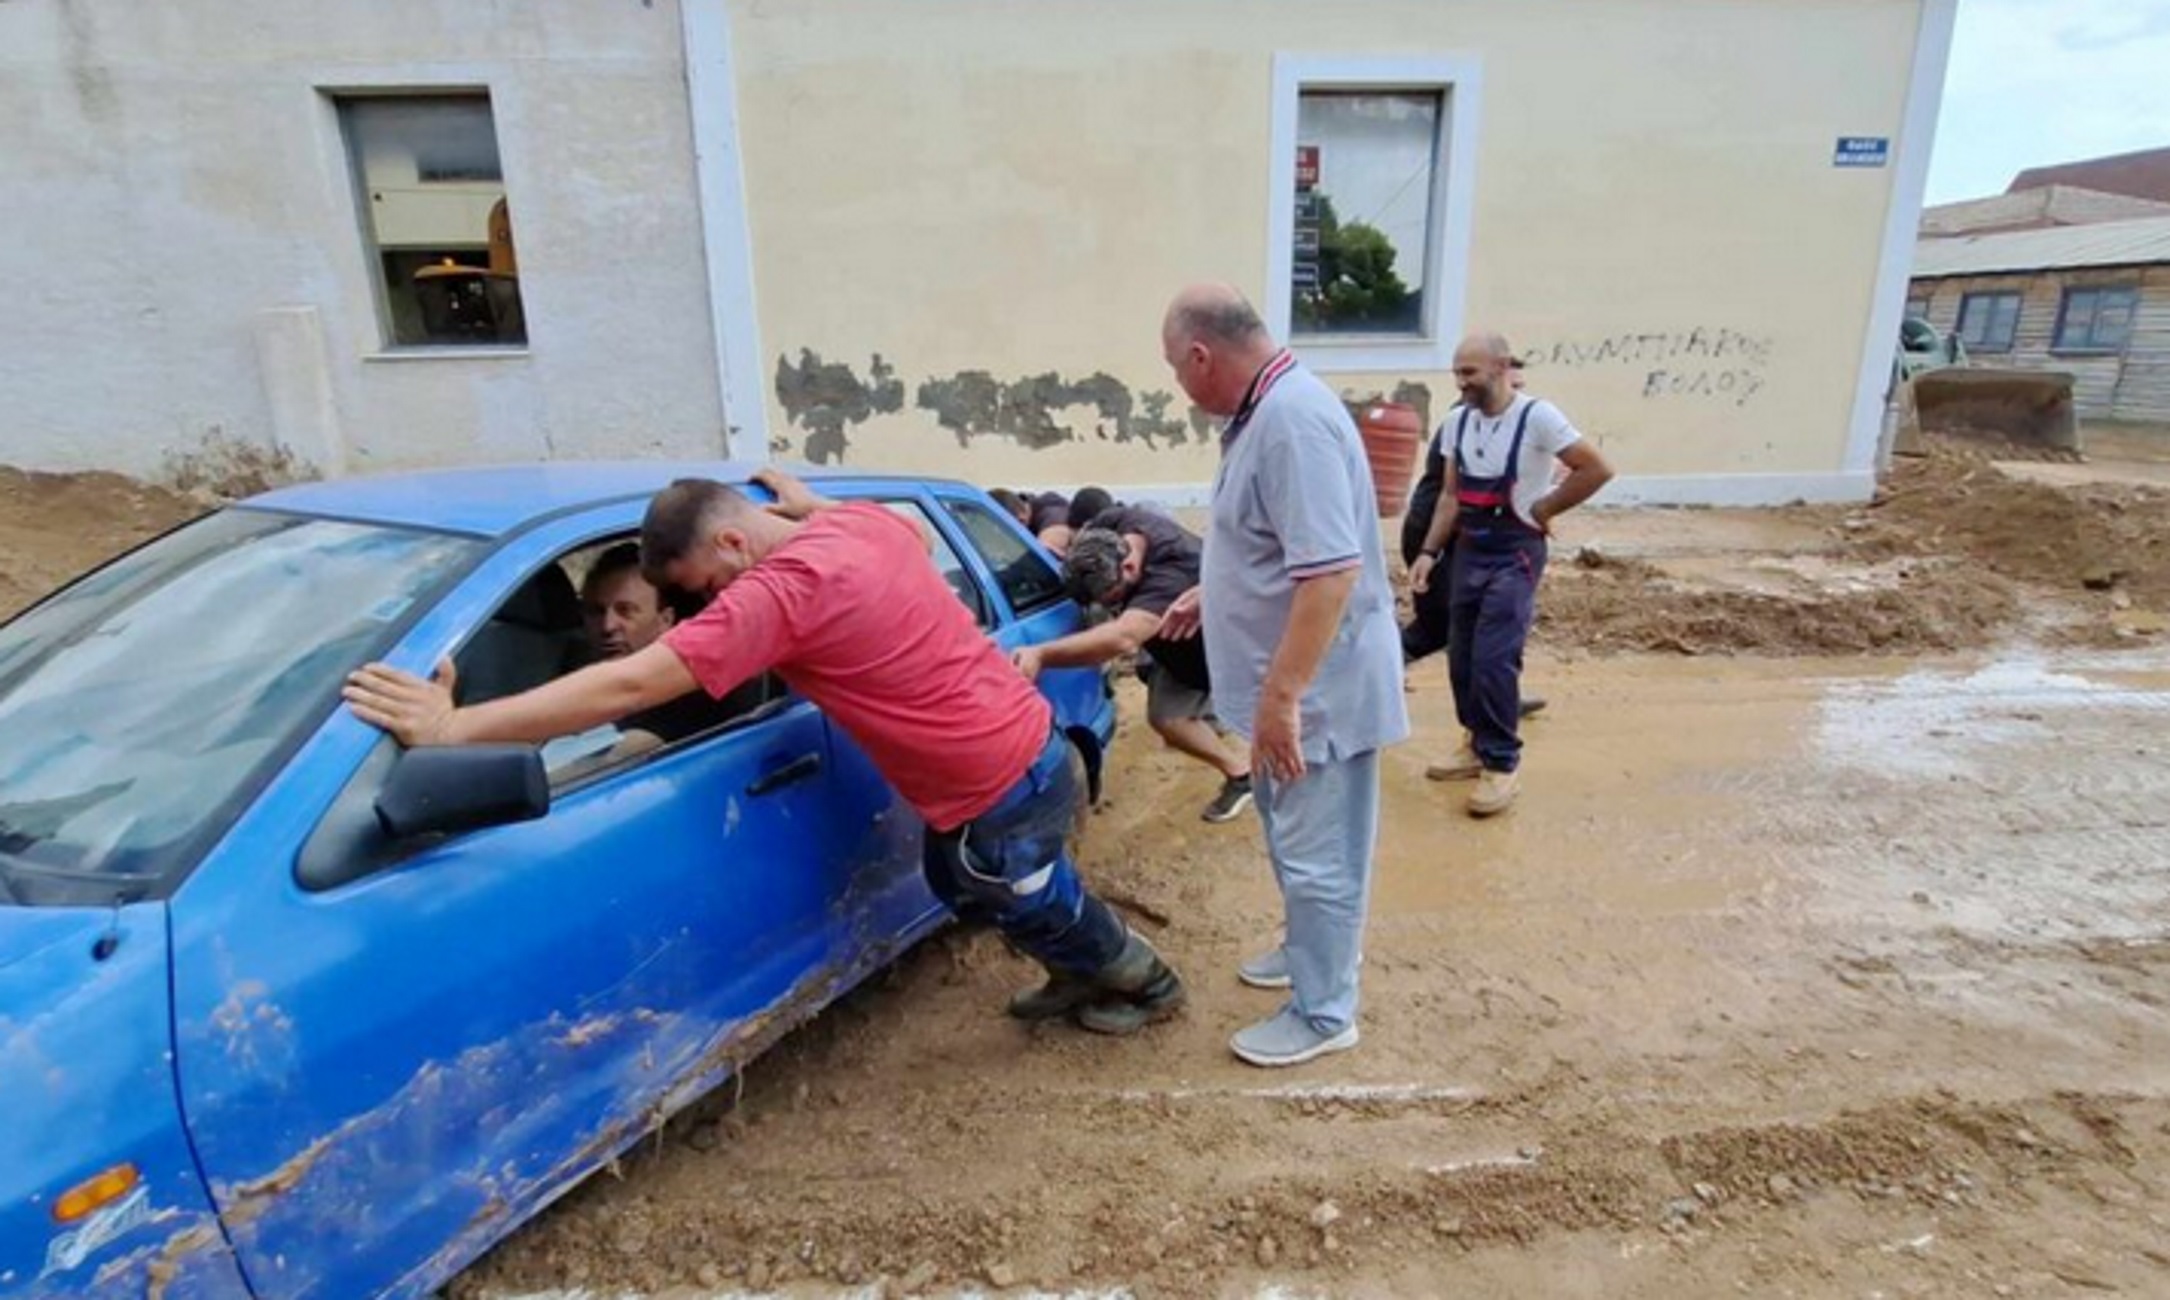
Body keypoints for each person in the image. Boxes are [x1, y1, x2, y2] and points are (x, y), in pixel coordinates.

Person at [343, 467, 1186, 1035]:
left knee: (1030, 894)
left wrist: (454, 729)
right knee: (964, 876)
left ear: (734, 547)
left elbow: (630, 687)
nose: (708, 606)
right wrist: (804, 502)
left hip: (992, 779)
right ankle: (1077, 964)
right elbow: (912, 538)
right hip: (1017, 742)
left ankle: (1142, 982)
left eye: (704, 587)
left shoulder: (778, 596)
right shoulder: (858, 528)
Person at [1157, 283, 1407, 1068]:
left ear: (1202, 356)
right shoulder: (1265, 413)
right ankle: (1310, 950)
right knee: (1297, 839)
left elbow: (1330, 574)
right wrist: (1217, 585)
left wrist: (1282, 698)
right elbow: (1278, 541)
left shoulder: (1291, 423)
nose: (1178, 385)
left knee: (1318, 852)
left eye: (1175, 368)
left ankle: (1326, 1011)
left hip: (1314, 697)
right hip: (1290, 692)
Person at [1408, 333, 1614, 817]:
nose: (1461, 384)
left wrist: (1543, 508)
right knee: (1462, 654)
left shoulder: (1537, 417)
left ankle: (1501, 764)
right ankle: (1475, 742)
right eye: (1457, 373)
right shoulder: (1459, 422)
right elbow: (1451, 497)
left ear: (1500, 368)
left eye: (1469, 373)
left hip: (1515, 553)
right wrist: (1429, 552)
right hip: (1469, 550)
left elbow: (1597, 468)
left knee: (1495, 659)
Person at [1011, 510, 1253, 823]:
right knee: (1162, 704)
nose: (1111, 608)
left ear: (1129, 566)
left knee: (1269, 723)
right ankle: (1232, 753)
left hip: (1221, 653)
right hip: (1174, 650)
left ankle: (1264, 776)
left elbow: (1123, 638)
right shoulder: (1111, 526)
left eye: (1115, 599)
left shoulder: (1171, 573)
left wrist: (1040, 654)